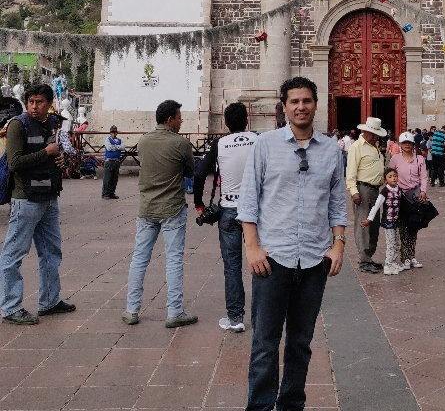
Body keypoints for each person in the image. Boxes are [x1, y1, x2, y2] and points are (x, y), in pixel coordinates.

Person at [237, 76, 347, 411]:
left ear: (316, 104)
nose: (301, 107)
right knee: (265, 343)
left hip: (314, 259)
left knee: (301, 343)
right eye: (294, 102)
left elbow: (337, 202)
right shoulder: (265, 144)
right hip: (272, 258)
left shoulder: (331, 149)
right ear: (284, 107)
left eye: (307, 101)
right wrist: (252, 247)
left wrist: (338, 245)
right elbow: (248, 199)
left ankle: (291, 405)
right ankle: (259, 406)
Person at [0, 84, 76, 325]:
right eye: (31, 102)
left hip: (49, 198)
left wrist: (59, 158)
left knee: (51, 251)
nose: (34, 106)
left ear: (49, 104)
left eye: (40, 102)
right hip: (26, 199)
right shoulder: (17, 125)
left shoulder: (52, 124)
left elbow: (54, 154)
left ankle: (50, 301)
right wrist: (47, 152)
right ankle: (11, 307)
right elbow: (15, 163)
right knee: (13, 254)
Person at [123, 99, 197, 328]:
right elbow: (190, 171)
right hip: (172, 207)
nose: (181, 121)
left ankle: (131, 309)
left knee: (139, 258)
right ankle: (174, 312)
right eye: (179, 117)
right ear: (170, 119)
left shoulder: (143, 141)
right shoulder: (181, 144)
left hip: (147, 207)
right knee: (173, 259)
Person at [194, 102, 257, 332]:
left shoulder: (219, 143)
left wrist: (199, 204)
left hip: (229, 209)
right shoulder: (258, 139)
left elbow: (200, 174)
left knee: (232, 266)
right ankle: (262, 316)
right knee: (261, 261)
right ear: (247, 120)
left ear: (226, 123)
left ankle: (235, 318)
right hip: (254, 211)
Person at [346, 116, 386, 272]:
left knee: (374, 224)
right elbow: (350, 172)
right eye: (373, 134)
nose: (375, 137)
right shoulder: (357, 147)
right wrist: (354, 192)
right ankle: (364, 260)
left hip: (375, 190)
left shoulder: (375, 146)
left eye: (377, 134)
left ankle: (369, 256)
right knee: (363, 225)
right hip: (363, 190)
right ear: (365, 131)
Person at [389, 132, 428, 269]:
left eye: (409, 143)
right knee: (403, 227)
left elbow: (423, 177)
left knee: (414, 227)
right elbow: (390, 175)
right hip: (400, 197)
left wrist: (423, 190)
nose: (407, 145)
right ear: (400, 144)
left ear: (413, 144)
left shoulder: (419, 159)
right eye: (404, 143)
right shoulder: (395, 159)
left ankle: (412, 256)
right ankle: (405, 257)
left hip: (415, 196)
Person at [361, 168, 403, 275]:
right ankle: (388, 266)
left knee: (398, 244)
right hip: (388, 222)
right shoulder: (385, 191)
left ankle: (393, 262)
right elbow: (376, 206)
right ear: (385, 180)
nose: (393, 178)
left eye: (395, 176)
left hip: (397, 222)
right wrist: (369, 219)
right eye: (390, 177)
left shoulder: (399, 190)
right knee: (391, 244)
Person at [102, 125, 123, 199]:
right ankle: (105, 194)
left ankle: (111, 193)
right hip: (109, 161)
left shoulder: (120, 140)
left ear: (117, 133)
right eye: (112, 132)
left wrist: (114, 147)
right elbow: (109, 148)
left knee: (114, 179)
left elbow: (123, 147)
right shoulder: (107, 139)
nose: (113, 133)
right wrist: (118, 147)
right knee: (107, 178)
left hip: (116, 161)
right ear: (110, 133)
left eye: (115, 132)